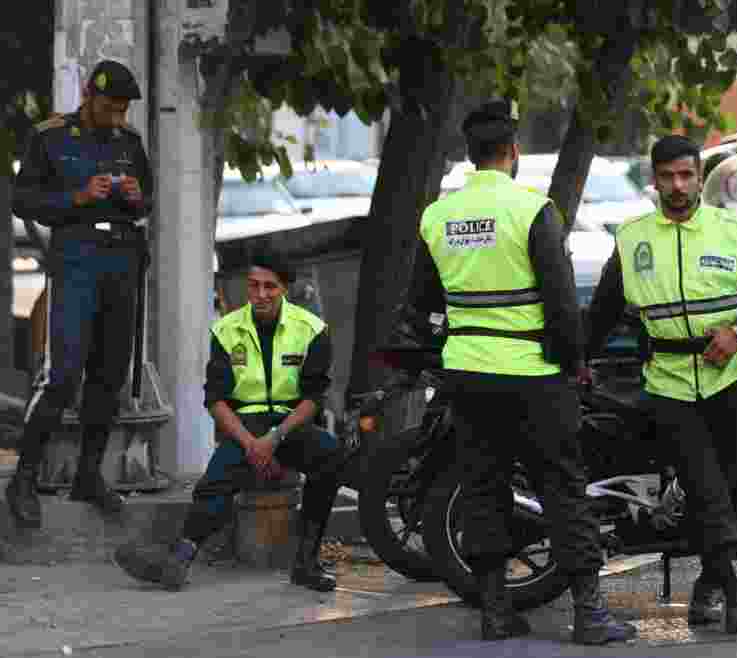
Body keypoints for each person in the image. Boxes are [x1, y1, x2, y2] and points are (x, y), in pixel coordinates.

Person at [410, 100, 636, 645]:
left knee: (483, 486)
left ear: (470, 157)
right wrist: (574, 362)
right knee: (561, 485)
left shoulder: (437, 216)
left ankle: (494, 611)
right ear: (512, 153)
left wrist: (457, 341)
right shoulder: (533, 210)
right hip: (533, 376)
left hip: (467, 376)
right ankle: (589, 614)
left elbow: (422, 302)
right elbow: (560, 306)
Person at [583, 136, 737, 634]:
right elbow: (603, 311)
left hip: (732, 377)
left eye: (686, 175)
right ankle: (734, 588)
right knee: (703, 486)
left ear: (699, 177)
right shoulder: (631, 240)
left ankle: (709, 585)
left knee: (735, 486)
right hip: (669, 384)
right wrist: (574, 358)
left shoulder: (733, 230)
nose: (677, 186)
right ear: (655, 178)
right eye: (667, 176)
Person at [113, 253, 354, 592]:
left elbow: (314, 398)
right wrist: (251, 443)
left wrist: (274, 438)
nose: (261, 294)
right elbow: (215, 399)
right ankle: (178, 560)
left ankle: (306, 562)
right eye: (254, 286)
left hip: (290, 424)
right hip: (246, 426)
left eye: (270, 286)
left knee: (331, 457)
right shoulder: (227, 330)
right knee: (215, 481)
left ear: (285, 288)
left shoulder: (311, 329)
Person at [7, 60, 153, 527]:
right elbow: (23, 200)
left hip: (123, 258)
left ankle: (88, 475)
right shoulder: (50, 136)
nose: (118, 115)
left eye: (124, 108)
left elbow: (148, 200)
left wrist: (136, 198)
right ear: (89, 96)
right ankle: (24, 477)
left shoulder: (130, 142)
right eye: (110, 106)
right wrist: (77, 197)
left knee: (109, 376)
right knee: (63, 374)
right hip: (77, 257)